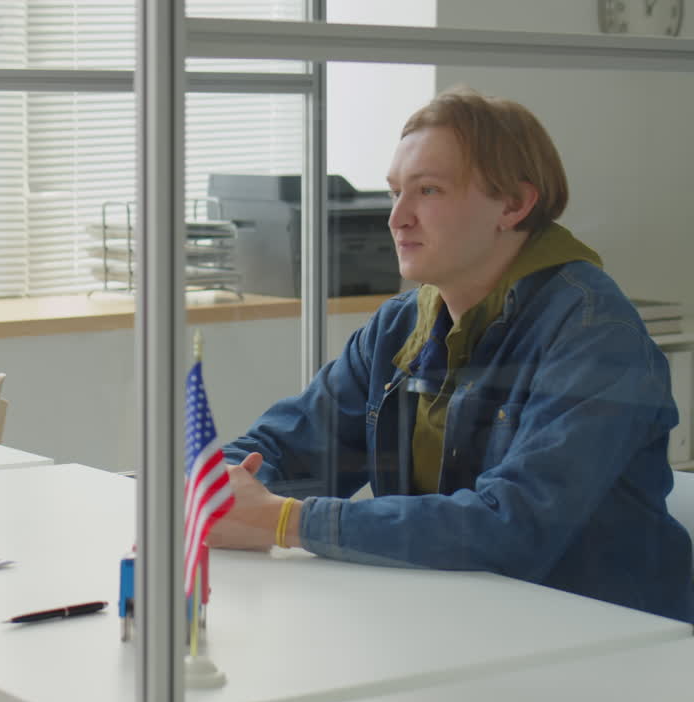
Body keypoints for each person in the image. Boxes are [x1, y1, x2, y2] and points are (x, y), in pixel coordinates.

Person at [210, 87, 694, 622]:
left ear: (513, 205)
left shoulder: (595, 334)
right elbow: (290, 445)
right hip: (454, 621)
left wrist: (286, 522)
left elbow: (510, 527)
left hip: (609, 644)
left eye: (429, 190)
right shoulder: (399, 325)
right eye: (395, 191)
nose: (397, 217)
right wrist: (218, 485)